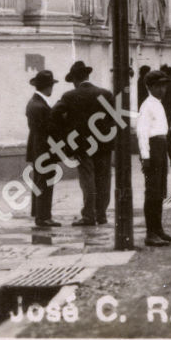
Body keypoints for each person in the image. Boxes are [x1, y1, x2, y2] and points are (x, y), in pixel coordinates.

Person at [51, 60, 117, 227]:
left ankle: (88, 215)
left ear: (75, 79)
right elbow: (115, 119)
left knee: (87, 179)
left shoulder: (69, 96)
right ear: (88, 75)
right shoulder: (106, 94)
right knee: (104, 179)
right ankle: (101, 215)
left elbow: (54, 115)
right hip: (103, 144)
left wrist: (66, 131)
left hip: (80, 145)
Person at [137, 72, 171, 247]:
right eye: (159, 86)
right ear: (151, 87)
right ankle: (150, 233)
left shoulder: (158, 104)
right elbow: (142, 133)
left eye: (164, 86)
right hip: (152, 149)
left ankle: (158, 229)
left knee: (160, 191)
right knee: (152, 191)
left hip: (160, 148)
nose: (163, 89)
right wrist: (145, 157)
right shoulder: (147, 105)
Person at [25, 70, 61, 228]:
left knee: (40, 181)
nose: (52, 88)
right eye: (51, 85)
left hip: (37, 148)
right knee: (45, 183)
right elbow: (51, 128)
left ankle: (40, 214)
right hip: (44, 150)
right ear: (48, 87)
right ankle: (43, 216)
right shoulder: (41, 106)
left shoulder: (34, 102)